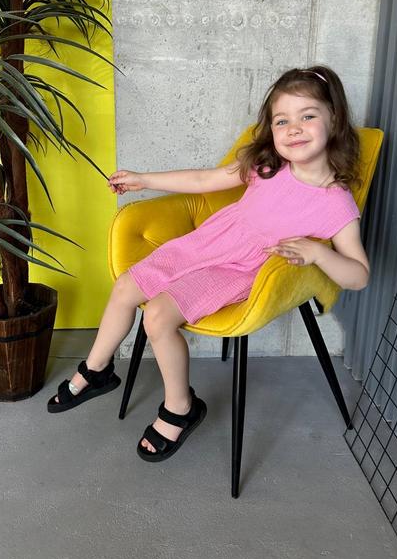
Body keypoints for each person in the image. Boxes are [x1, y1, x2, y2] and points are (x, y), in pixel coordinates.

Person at [47, 65, 370, 463]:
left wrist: (319, 252)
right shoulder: (268, 164)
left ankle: (180, 408)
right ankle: (97, 370)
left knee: (157, 317)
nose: (293, 129)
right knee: (127, 284)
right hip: (207, 243)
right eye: (282, 120)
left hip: (240, 270)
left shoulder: (336, 201)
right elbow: (203, 180)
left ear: (333, 118)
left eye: (307, 116)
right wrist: (144, 179)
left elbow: (358, 275)